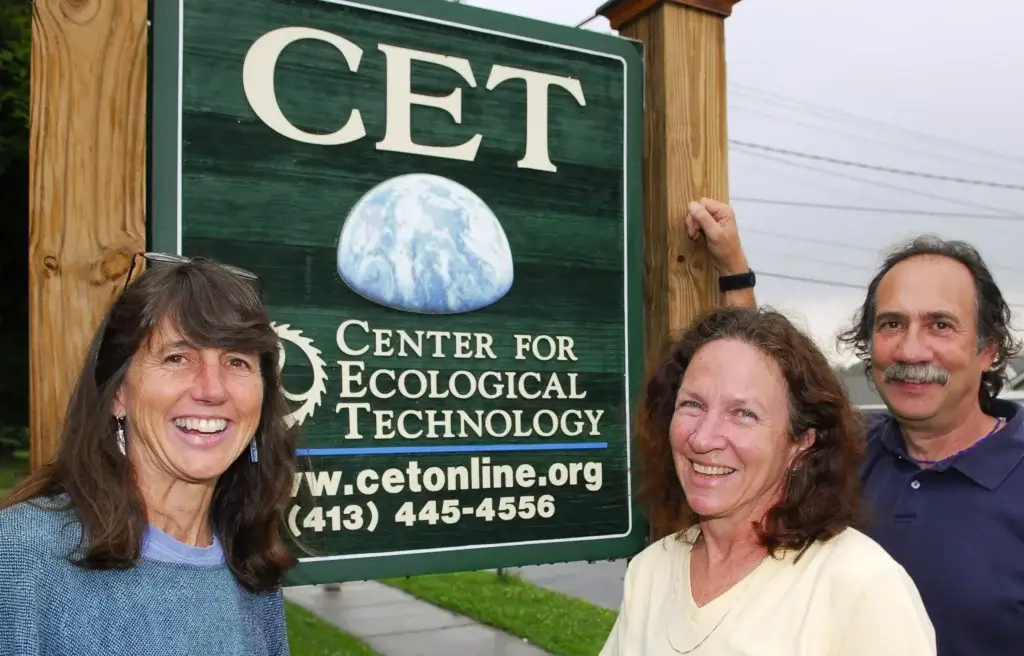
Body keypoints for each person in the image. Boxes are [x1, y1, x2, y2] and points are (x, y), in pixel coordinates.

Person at [687, 198, 1024, 655]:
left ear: (988, 349)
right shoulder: (837, 450)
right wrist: (734, 271)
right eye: (891, 324)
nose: (910, 350)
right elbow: (760, 391)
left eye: (940, 325)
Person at [0, 253, 298, 655]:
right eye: (177, 357)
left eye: (236, 362)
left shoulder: (251, 569)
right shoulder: (23, 555)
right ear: (118, 393)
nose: (211, 389)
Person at [600, 306, 935, 655]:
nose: (703, 438)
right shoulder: (651, 572)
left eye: (743, 413)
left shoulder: (861, 586)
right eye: (692, 405)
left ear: (801, 443)